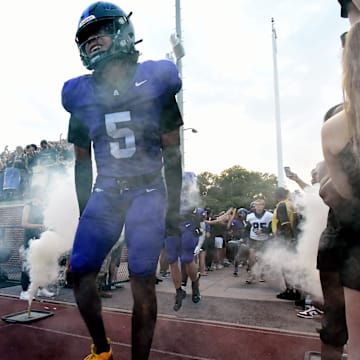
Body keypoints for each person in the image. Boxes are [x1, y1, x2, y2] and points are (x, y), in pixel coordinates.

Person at [61, 2, 183, 359]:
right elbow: (82, 162)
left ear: (121, 31)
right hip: (107, 191)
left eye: (97, 32)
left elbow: (172, 153)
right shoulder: (79, 95)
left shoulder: (157, 78)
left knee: (142, 280)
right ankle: (102, 349)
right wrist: (86, 212)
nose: (91, 43)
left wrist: (172, 211)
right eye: (84, 38)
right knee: (80, 273)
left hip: (148, 189)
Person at [320, 15, 360, 360]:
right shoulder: (337, 118)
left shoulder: (337, 124)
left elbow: (340, 189)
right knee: (336, 325)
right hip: (345, 239)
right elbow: (329, 191)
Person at [164, 172, 203, 311]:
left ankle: (195, 283)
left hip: (186, 224)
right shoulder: (166, 188)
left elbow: (196, 208)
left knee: (187, 258)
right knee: (172, 259)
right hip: (171, 225)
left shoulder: (188, 183)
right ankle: (179, 290)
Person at [19, 186, 55, 300]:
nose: (44, 194)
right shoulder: (28, 205)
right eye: (42, 192)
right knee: (27, 265)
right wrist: (40, 226)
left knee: (42, 264)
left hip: (41, 239)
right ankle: (24, 291)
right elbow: (24, 223)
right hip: (30, 239)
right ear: (36, 193)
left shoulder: (42, 206)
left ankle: (41, 288)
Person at [272, 187, 301, 301]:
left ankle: (291, 291)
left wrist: (288, 241)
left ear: (277, 195)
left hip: (285, 240)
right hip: (291, 239)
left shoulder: (282, 205)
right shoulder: (290, 204)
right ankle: (295, 290)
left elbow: (286, 225)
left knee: (286, 266)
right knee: (291, 266)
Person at [245, 198, 273, 283]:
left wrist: (263, 231)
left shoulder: (270, 215)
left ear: (264, 206)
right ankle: (252, 275)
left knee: (262, 258)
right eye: (256, 205)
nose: (258, 206)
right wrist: (246, 238)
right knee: (251, 257)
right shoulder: (250, 216)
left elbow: (272, 228)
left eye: (260, 204)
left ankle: (262, 274)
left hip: (264, 239)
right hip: (253, 238)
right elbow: (247, 228)